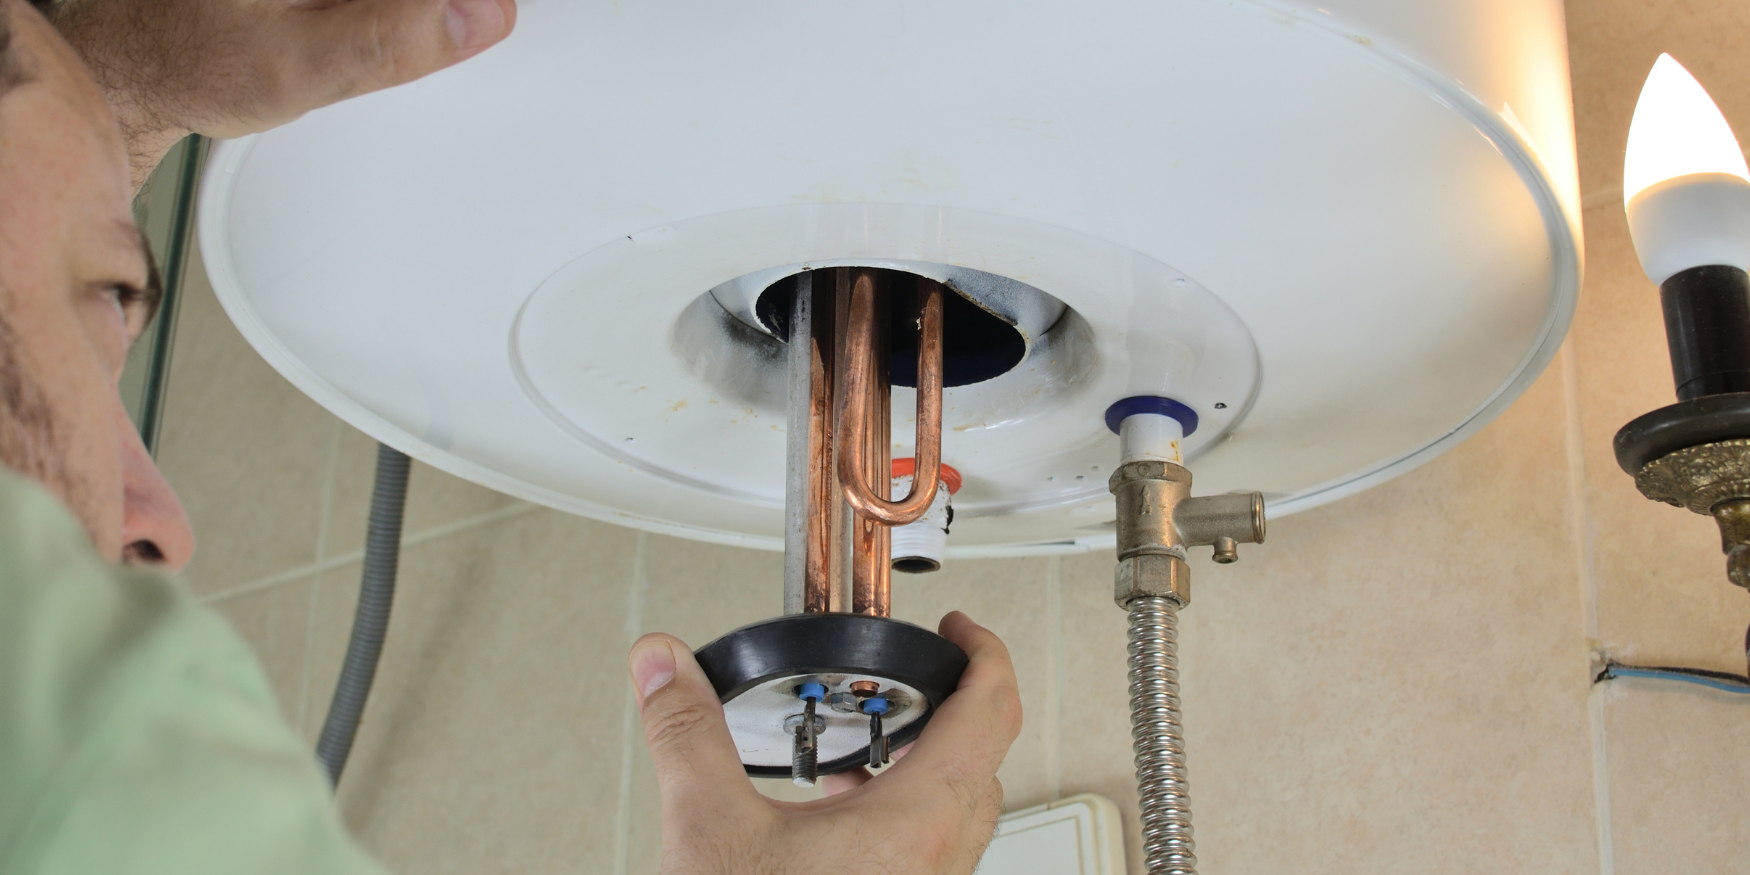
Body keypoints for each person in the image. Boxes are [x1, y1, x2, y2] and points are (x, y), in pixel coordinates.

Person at [0, 0, 1024, 872]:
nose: (162, 527)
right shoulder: (76, 734)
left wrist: (108, 95)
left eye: (115, 325)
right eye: (102, 305)